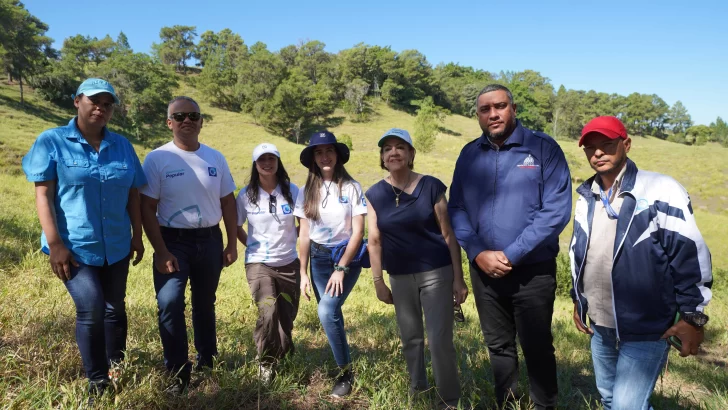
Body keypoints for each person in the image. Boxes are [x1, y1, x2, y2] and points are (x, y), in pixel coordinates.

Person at [569, 116, 713, 410]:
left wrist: (692, 316)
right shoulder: (587, 196)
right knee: (609, 398)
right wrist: (578, 300)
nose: (597, 153)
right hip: (600, 322)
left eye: (606, 144)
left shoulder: (660, 189)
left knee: (626, 406)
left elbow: (689, 255)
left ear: (626, 144)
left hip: (648, 324)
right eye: (590, 147)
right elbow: (580, 252)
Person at [21, 78, 146, 402]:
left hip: (117, 243)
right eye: (94, 101)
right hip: (75, 246)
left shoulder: (122, 146)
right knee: (91, 307)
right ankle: (97, 381)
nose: (101, 108)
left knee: (114, 307)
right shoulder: (52, 141)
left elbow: (133, 194)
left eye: (107, 103)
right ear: (78, 101)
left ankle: (116, 361)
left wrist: (137, 235)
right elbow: (43, 195)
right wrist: (56, 244)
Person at [448, 84, 572, 409]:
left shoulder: (543, 149)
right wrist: (477, 252)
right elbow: (456, 208)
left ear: (513, 108)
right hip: (484, 273)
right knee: (498, 346)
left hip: (532, 273)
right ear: (477, 115)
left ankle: (545, 405)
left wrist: (511, 254)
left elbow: (556, 211)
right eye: (484, 110)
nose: (493, 114)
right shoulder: (469, 154)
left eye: (499, 106)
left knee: (538, 347)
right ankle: (508, 403)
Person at [140, 96, 238, 394]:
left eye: (193, 116)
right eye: (179, 116)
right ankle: (178, 371)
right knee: (169, 303)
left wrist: (232, 242)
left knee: (204, 303)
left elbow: (228, 202)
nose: (187, 121)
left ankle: (208, 362)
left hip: (210, 239)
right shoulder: (157, 158)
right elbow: (147, 208)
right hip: (172, 241)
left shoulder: (215, 158)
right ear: (169, 122)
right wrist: (161, 250)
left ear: (201, 122)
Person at [365, 128, 468, 409]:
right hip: (398, 276)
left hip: (436, 272)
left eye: (400, 147)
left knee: (438, 340)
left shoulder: (432, 186)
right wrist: (378, 281)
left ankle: (448, 400)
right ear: (383, 158)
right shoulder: (375, 194)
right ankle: (418, 393)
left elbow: (448, 234)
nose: (393, 152)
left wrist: (458, 279)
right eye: (387, 149)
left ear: (411, 154)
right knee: (411, 338)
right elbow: (374, 240)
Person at [294, 131, 366, 397]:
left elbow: (358, 232)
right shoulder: (306, 191)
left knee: (326, 311)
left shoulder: (351, 187)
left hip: (345, 257)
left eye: (329, 151)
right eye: (318, 152)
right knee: (332, 312)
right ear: (313, 158)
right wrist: (302, 273)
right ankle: (343, 358)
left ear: (337, 155)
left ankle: (345, 373)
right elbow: (303, 234)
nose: (324, 156)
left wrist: (341, 268)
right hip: (318, 258)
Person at [236, 143, 300, 383]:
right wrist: (250, 246)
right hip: (258, 263)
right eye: (261, 159)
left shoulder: (292, 190)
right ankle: (265, 362)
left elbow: (304, 222)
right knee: (268, 310)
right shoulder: (246, 194)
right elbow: (235, 225)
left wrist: (292, 237)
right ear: (255, 164)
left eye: (271, 158)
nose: (267, 162)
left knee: (286, 315)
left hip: (289, 262)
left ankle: (284, 353)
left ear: (278, 161)